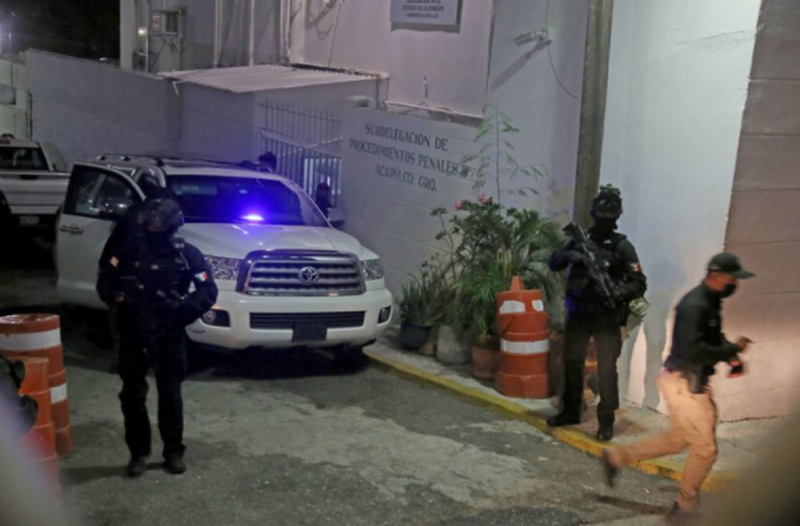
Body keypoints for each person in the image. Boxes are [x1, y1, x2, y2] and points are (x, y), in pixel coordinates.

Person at [600, 252, 755, 523]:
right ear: (717, 275)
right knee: (705, 450)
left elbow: (711, 336)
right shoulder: (695, 305)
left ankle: (617, 457)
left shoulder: (710, 300)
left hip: (683, 381)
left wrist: (731, 355)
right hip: (686, 385)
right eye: (732, 278)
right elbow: (696, 351)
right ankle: (685, 508)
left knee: (678, 440)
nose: (735, 284)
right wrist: (731, 350)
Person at [96, 198, 218, 477]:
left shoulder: (187, 254)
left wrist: (181, 310)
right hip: (133, 328)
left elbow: (207, 291)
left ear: (173, 227)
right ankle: (138, 453)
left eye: (159, 227)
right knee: (132, 394)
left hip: (168, 331)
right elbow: (106, 280)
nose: (154, 230)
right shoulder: (129, 250)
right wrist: (120, 297)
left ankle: (173, 452)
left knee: (170, 393)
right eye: (149, 226)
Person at [547, 185, 647, 441]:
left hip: (606, 317)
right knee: (572, 363)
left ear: (617, 216)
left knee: (607, 369)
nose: (605, 218)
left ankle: (606, 420)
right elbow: (554, 262)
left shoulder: (623, 247)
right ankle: (570, 411)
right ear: (593, 213)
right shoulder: (580, 241)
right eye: (602, 213)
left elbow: (638, 282)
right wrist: (572, 255)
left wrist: (618, 292)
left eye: (610, 214)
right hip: (579, 313)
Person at [97, 171, 174, 372]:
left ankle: (127, 359)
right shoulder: (139, 219)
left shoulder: (141, 216)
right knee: (126, 319)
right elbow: (117, 253)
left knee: (126, 321)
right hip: (129, 277)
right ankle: (128, 359)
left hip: (132, 277)